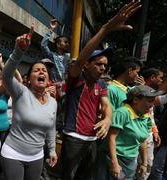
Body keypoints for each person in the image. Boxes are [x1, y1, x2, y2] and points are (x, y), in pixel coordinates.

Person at [60, 1, 141, 179]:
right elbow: (80, 59)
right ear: (87, 65)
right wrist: (105, 29)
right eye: (98, 64)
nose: (103, 68)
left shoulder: (102, 84)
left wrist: (107, 119)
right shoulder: (76, 79)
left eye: (105, 65)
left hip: (92, 140)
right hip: (73, 138)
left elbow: (106, 106)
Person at [0, 25, 58, 180]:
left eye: (44, 71)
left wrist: (52, 150)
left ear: (47, 79)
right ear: (29, 78)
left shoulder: (53, 102)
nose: (41, 72)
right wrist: (18, 51)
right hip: (13, 154)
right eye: (36, 70)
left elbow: (51, 127)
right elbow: (5, 76)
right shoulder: (21, 92)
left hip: (37, 157)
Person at [94, 85, 163, 179]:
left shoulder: (145, 117)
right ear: (135, 100)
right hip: (112, 158)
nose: (152, 105)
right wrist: (115, 164)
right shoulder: (123, 113)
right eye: (150, 101)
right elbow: (111, 137)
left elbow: (142, 141)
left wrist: (144, 163)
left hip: (129, 161)